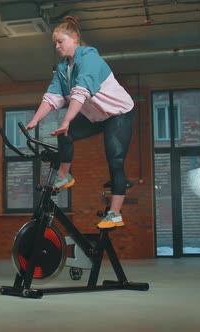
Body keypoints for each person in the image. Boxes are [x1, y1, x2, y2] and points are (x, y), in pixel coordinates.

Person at [25, 15, 136, 229]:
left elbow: (81, 92)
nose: (57, 46)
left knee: (115, 160)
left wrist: (67, 119)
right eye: (55, 43)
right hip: (97, 116)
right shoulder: (62, 68)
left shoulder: (89, 58)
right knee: (65, 134)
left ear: (75, 38)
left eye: (61, 41)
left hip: (119, 114)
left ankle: (114, 214)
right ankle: (64, 177)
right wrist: (34, 121)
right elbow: (52, 97)